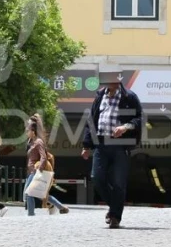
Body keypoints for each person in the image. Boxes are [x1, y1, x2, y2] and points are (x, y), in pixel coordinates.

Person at [82, 67, 142, 229]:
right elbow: (91, 121)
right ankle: (114, 207)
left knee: (118, 182)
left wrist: (125, 127)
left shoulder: (129, 97)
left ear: (118, 79)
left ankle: (115, 217)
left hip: (120, 145)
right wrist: (87, 145)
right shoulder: (100, 96)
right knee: (97, 177)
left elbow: (139, 119)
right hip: (101, 143)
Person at [24, 114, 69, 216]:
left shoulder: (38, 142)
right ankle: (61, 207)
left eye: (28, 130)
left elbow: (43, 157)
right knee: (41, 194)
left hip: (35, 171)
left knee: (29, 193)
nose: (26, 132)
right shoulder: (30, 142)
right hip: (31, 171)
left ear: (33, 131)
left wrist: (39, 170)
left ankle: (31, 215)